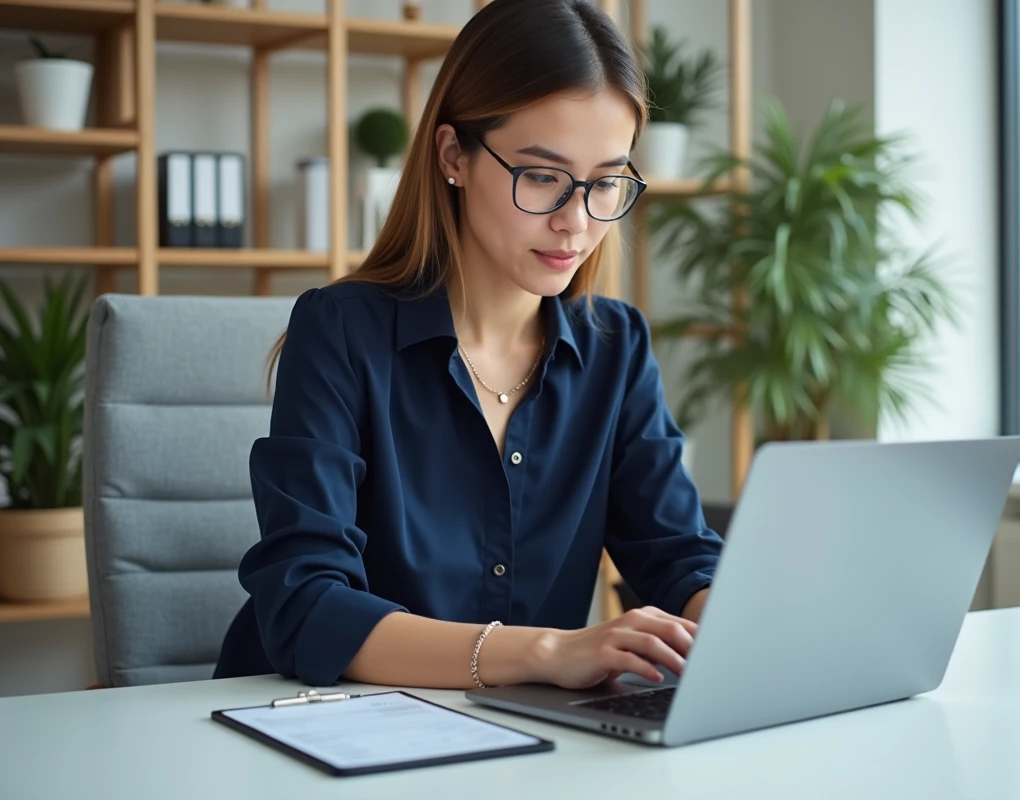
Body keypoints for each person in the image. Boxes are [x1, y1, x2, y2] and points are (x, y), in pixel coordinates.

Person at [213, 0, 723, 692]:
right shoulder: (339, 331)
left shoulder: (616, 347)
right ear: (454, 155)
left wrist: (733, 622)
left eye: (605, 183)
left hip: (521, 735)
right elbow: (307, 607)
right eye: (542, 176)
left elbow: (679, 556)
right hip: (321, 721)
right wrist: (545, 653)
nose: (576, 222)